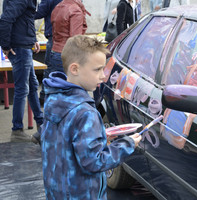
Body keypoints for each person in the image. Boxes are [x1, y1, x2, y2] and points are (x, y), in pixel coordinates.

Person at [41, 35, 142, 199]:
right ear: (75, 69)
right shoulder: (86, 112)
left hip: (57, 191)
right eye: (97, 69)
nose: (103, 76)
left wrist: (102, 135)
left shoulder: (54, 97)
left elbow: (64, 139)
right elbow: (94, 162)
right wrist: (127, 144)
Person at [32, 0, 90, 145]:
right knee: (73, 97)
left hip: (55, 52)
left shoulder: (59, 6)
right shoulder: (75, 10)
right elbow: (75, 41)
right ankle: (61, 135)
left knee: (55, 95)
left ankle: (44, 132)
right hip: (68, 56)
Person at [0, 0, 43, 142]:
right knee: (22, 88)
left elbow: (25, 18)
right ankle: (17, 130)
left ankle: (41, 124)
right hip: (19, 48)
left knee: (32, 86)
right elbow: (6, 19)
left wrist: (32, 39)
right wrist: (5, 45)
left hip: (23, 45)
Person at [34, 0, 62, 105]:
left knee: (50, 68)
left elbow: (38, 13)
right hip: (68, 39)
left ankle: (45, 96)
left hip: (55, 37)